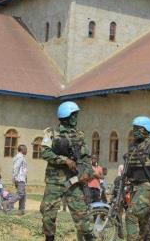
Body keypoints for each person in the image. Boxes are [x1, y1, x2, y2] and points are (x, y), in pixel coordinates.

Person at [40, 101, 93, 241]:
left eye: (76, 115)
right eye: (74, 115)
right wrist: (65, 160)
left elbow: (86, 157)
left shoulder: (80, 135)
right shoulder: (51, 133)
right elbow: (45, 153)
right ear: (66, 116)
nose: (76, 117)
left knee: (82, 215)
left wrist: (88, 172)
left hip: (74, 181)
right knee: (48, 214)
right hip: (54, 182)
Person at [124, 116, 150, 240]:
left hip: (146, 186)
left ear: (146, 129)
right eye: (134, 128)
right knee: (144, 222)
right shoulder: (133, 145)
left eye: (138, 128)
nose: (134, 131)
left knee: (131, 214)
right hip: (134, 186)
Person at [2, 145, 28, 215]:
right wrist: (15, 178)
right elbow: (16, 168)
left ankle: (21, 210)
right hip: (20, 179)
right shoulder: (20, 157)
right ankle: (7, 203)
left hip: (19, 178)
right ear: (22, 150)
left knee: (23, 195)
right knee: (20, 194)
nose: (27, 151)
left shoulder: (17, 157)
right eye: (26, 149)